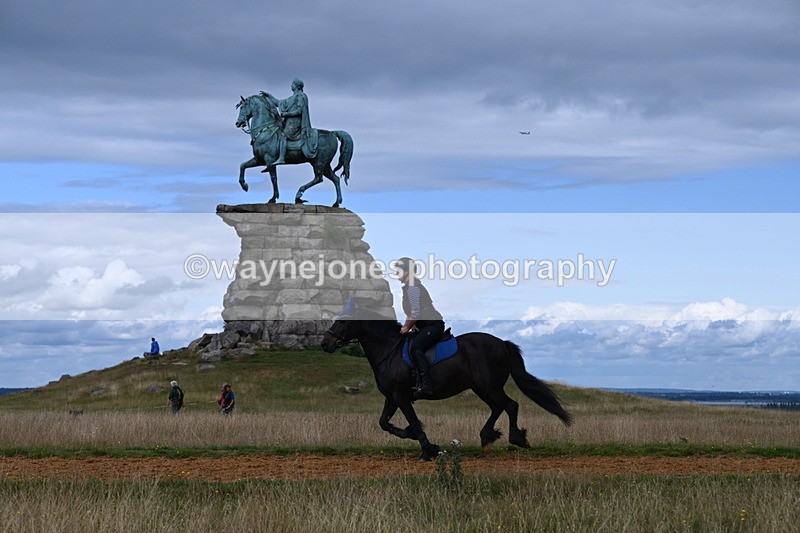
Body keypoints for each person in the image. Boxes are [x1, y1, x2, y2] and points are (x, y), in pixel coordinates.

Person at [395, 257, 444, 398]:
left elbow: (415, 313)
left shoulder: (413, 288)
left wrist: (406, 328)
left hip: (432, 325)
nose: (396, 274)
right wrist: (406, 327)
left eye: (398, 271)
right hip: (424, 326)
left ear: (406, 272)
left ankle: (427, 385)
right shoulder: (410, 287)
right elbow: (411, 313)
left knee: (416, 349)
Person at [262, 78, 318, 165]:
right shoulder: (292, 98)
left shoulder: (301, 96)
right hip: (288, 123)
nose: (291, 85)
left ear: (296, 85)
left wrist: (287, 114)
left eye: (292, 84)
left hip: (296, 124)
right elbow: (278, 102)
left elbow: (299, 111)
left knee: (283, 135)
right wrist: (269, 96)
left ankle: (281, 158)